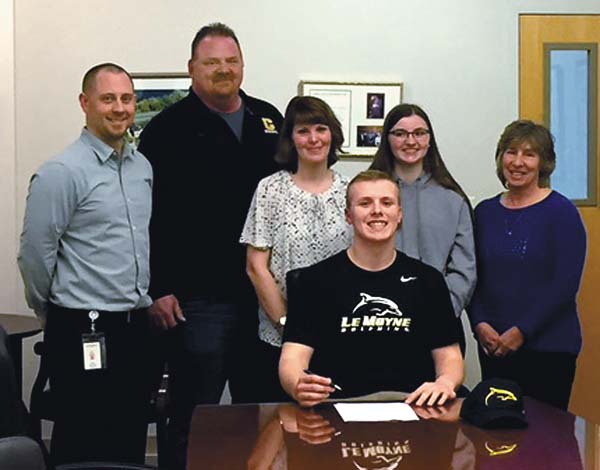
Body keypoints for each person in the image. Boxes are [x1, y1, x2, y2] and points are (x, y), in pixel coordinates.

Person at [137, 22, 283, 469]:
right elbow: (147, 218)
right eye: (212, 61)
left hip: (261, 297)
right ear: (192, 68)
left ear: (243, 65)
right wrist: (158, 288)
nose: (224, 69)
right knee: (193, 413)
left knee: (260, 410)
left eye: (231, 61)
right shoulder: (166, 130)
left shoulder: (268, 120)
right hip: (198, 301)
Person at [17, 63, 153, 464]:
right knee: (81, 440)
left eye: (126, 98)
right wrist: (52, 312)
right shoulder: (61, 172)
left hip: (133, 326)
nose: (119, 108)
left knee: (129, 436)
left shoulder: (142, 168)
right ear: (85, 103)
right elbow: (34, 255)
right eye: (107, 98)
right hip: (80, 326)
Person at [279, 170, 464, 408]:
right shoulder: (312, 281)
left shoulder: (428, 280)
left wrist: (445, 383)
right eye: (365, 203)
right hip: (335, 407)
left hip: (413, 407)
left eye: (386, 203)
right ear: (348, 216)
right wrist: (298, 384)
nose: (377, 210)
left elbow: (450, 356)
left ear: (399, 214)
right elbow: (292, 358)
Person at [467, 120, 586, 410]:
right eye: (511, 152)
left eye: (529, 154)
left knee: (545, 433)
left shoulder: (562, 213)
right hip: (494, 347)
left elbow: (565, 285)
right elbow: (472, 275)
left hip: (549, 349)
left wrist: (521, 332)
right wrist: (479, 324)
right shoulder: (484, 212)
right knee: (497, 429)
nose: (518, 162)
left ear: (544, 163)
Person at [240, 96, 352, 401]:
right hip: (280, 336)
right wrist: (287, 325)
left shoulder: (351, 191)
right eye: (303, 131)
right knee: (283, 423)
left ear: (333, 134)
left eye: (321, 129)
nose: (314, 139)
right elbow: (256, 267)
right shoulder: (270, 190)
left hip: (340, 335)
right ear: (290, 139)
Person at [370, 104, 476, 353]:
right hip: (381, 324)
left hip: (440, 323)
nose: (411, 141)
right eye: (400, 134)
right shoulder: (368, 194)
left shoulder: (453, 198)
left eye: (419, 133)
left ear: (430, 140)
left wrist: (442, 310)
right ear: (387, 139)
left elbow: (465, 268)